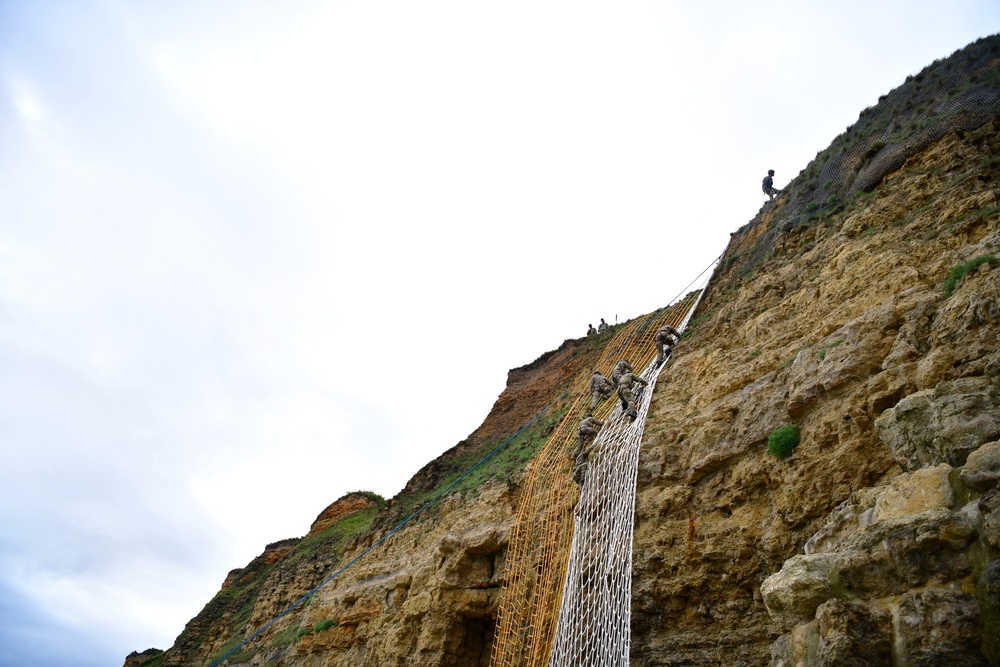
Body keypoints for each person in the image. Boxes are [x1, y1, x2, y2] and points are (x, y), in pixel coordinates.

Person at [571, 415, 603, 486]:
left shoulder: (583, 421)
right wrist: (602, 422)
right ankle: (591, 440)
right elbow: (599, 423)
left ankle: (573, 455)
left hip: (579, 431)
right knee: (596, 432)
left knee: (580, 445)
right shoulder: (590, 418)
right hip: (585, 429)